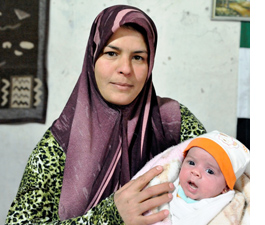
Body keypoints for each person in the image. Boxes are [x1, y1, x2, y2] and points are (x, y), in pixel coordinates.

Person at [5, 5, 207, 225]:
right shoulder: (59, 143)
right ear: (92, 58)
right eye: (111, 53)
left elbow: (225, 183)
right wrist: (109, 217)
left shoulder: (174, 122)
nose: (125, 69)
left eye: (138, 57)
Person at [132, 130, 250, 225]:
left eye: (209, 171)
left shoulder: (226, 204)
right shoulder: (171, 186)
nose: (195, 172)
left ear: (225, 188)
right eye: (191, 163)